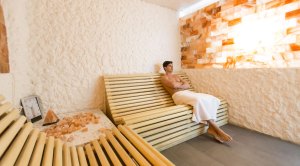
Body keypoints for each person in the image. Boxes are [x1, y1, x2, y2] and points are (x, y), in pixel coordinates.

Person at [160, 61, 232, 143]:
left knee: (212, 98)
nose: (172, 67)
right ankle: (215, 128)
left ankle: (211, 127)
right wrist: (180, 84)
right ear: (165, 68)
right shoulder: (163, 78)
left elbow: (187, 85)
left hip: (187, 93)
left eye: (172, 66)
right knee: (198, 100)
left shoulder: (176, 76)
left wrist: (178, 84)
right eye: (169, 66)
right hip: (178, 95)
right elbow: (173, 86)